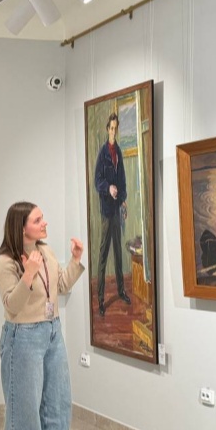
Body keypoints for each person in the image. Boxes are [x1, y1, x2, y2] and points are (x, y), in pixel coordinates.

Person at [0, 202, 84, 430]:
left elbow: (60, 286)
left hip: (52, 332)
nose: (45, 223)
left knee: (57, 407)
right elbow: (12, 305)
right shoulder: (5, 263)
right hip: (23, 336)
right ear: (21, 228)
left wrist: (75, 261)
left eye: (42, 218)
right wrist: (27, 274)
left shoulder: (46, 252)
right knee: (25, 413)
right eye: (37, 220)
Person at [94, 112, 131, 316]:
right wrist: (108, 188)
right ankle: (100, 300)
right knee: (103, 255)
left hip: (117, 209)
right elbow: (97, 181)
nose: (114, 131)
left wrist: (123, 199)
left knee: (118, 252)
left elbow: (122, 180)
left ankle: (121, 291)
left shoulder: (118, 152)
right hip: (107, 211)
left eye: (116, 128)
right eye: (111, 128)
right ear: (107, 129)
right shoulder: (103, 153)